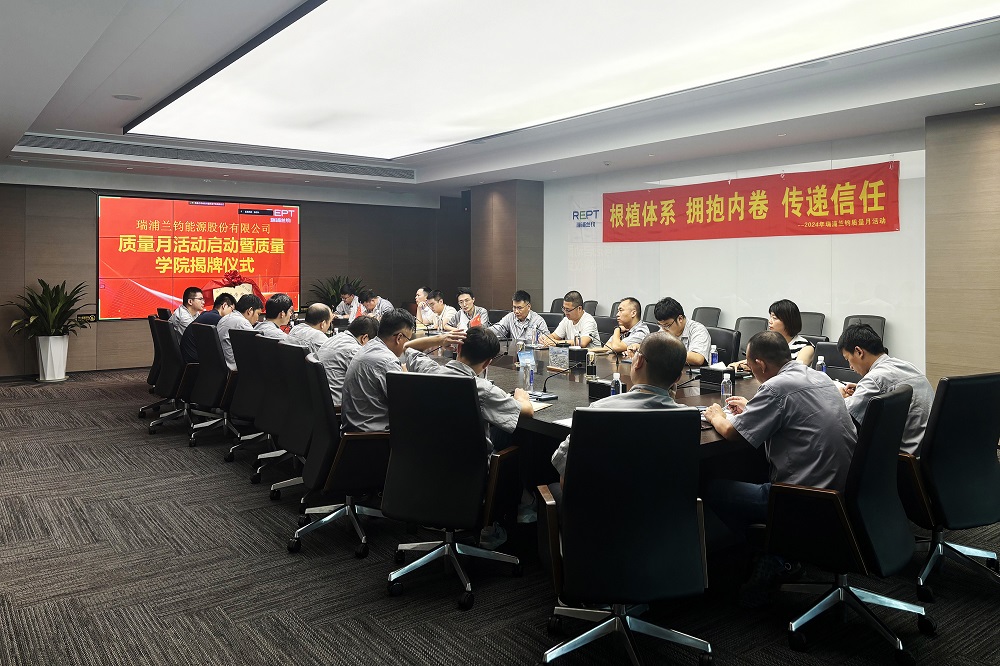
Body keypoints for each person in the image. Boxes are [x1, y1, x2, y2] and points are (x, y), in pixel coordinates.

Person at [704, 330, 857, 606]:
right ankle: (777, 549)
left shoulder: (775, 388)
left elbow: (731, 432)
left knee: (710, 488)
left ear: (760, 364)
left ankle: (772, 553)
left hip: (803, 497)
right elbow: (793, 411)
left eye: (749, 365)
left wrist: (715, 415)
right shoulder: (818, 377)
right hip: (846, 492)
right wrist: (754, 409)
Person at [551, 331, 688, 478]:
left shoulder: (599, 411)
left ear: (638, 361)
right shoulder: (687, 416)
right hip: (663, 493)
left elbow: (564, 466)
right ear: (678, 378)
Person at [340, 309, 464, 432]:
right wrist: (405, 375)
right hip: (372, 437)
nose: (407, 344)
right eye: (408, 339)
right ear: (399, 337)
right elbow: (409, 406)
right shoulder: (386, 361)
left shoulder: (371, 347)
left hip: (358, 429)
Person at [837, 323, 934, 455]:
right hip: (930, 452)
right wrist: (860, 389)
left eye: (848, 359)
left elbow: (843, 418)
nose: (850, 367)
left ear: (859, 352)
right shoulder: (907, 366)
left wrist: (839, 397)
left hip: (905, 459)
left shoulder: (874, 379)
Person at [441, 326, 534, 455]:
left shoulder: (430, 370)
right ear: (487, 363)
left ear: (459, 347)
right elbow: (527, 411)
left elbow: (412, 349)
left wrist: (439, 340)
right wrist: (521, 398)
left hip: (429, 457)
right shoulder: (483, 389)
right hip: (471, 462)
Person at [315, 315, 380, 405]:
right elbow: (369, 382)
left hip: (321, 400)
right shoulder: (355, 350)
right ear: (364, 338)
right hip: (337, 405)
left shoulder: (333, 338)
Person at [653, 297, 711, 366]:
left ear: (680, 319)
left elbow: (698, 358)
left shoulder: (698, 330)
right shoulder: (663, 328)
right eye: (661, 325)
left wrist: (667, 353)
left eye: (667, 325)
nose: (664, 329)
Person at [179, 292, 236, 363]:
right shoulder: (218, 320)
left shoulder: (207, 315)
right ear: (224, 305)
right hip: (194, 362)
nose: (232, 314)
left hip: (187, 356)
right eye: (232, 310)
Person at [216, 294, 263, 370]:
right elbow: (256, 349)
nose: (257, 318)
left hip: (220, 366)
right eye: (258, 314)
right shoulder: (242, 322)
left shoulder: (225, 318)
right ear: (250, 310)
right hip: (234, 370)